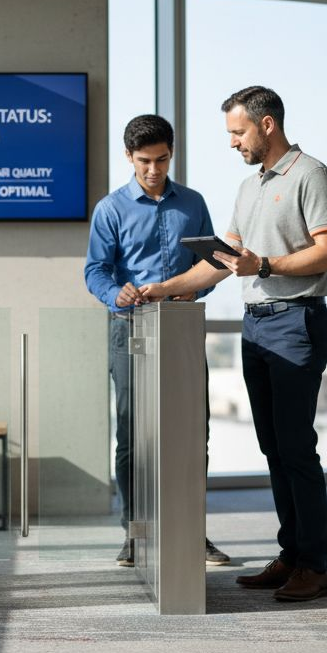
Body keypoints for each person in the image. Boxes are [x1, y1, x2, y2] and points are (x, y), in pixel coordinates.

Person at [138, 86, 327, 602]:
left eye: (237, 132)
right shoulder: (250, 187)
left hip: (296, 320)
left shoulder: (311, 175)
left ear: (266, 125)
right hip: (256, 324)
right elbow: (225, 261)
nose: (232, 143)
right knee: (273, 447)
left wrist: (266, 265)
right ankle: (291, 554)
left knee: (296, 448)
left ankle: (314, 568)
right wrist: (163, 289)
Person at [83, 113, 231, 569]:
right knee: (132, 434)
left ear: (171, 154)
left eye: (162, 160)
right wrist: (115, 291)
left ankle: (191, 532)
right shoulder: (110, 209)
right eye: (145, 161)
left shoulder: (193, 203)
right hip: (128, 327)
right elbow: (94, 271)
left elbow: (218, 261)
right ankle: (136, 533)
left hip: (181, 327)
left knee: (192, 434)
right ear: (129, 157)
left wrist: (196, 288)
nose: (154, 170)